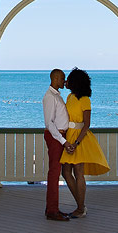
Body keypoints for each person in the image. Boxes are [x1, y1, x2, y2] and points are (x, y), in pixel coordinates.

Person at [60, 67, 109, 217]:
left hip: (80, 138)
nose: (66, 81)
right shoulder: (70, 97)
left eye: (69, 79)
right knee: (66, 172)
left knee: (78, 172)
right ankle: (81, 205)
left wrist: (76, 143)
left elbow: (87, 124)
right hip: (68, 136)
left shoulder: (85, 99)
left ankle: (80, 208)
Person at [41, 68, 73, 221]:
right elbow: (50, 123)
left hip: (60, 136)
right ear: (54, 79)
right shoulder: (49, 97)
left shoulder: (57, 96)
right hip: (56, 137)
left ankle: (53, 208)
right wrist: (63, 141)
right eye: (62, 79)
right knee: (54, 173)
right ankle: (52, 210)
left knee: (56, 173)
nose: (64, 81)